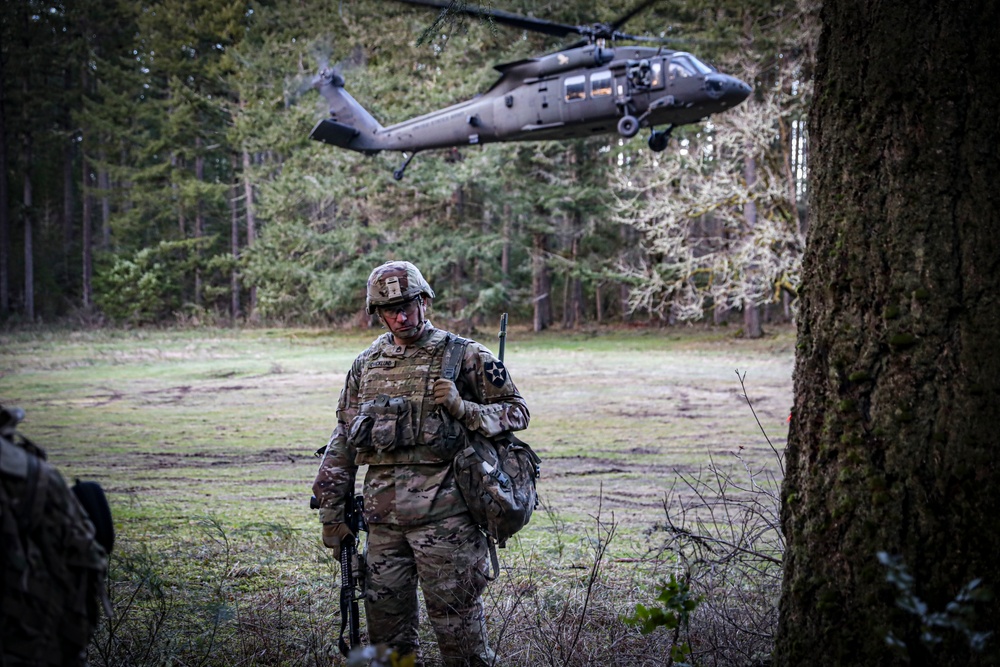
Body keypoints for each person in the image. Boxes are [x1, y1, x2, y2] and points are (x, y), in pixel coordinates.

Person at [312, 260, 530, 667]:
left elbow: (517, 412)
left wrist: (464, 409)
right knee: (387, 643)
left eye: (408, 304)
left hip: (447, 522)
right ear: (376, 313)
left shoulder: (464, 355)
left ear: (425, 300)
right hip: (382, 527)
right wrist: (331, 512)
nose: (400, 315)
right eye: (388, 309)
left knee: (460, 638)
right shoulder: (365, 365)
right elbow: (342, 439)